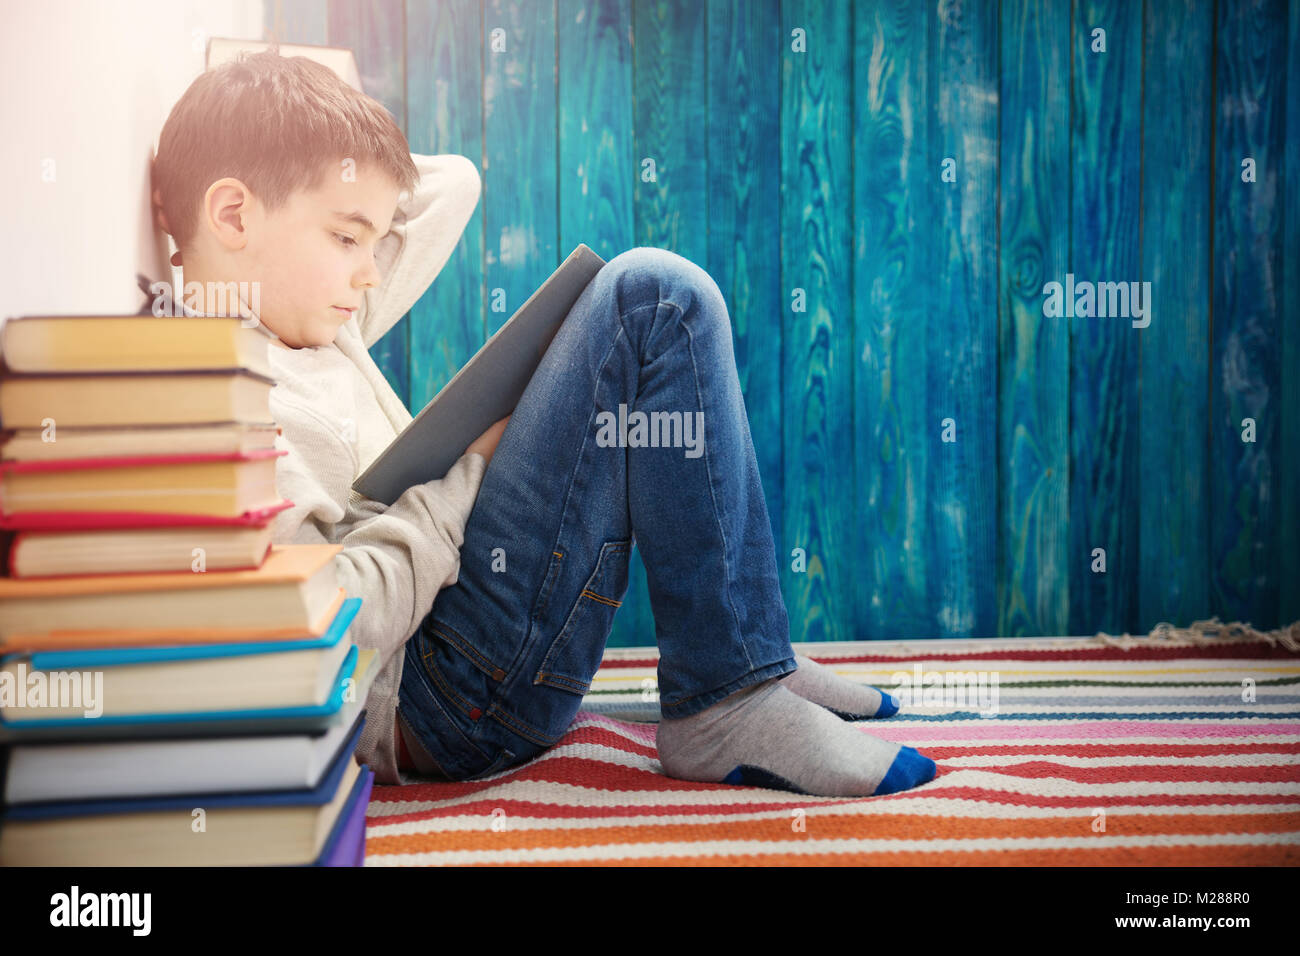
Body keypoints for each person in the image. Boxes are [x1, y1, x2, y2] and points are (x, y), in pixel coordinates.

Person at [148, 48, 936, 798]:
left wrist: (315, 140)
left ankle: (742, 657)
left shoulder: (310, 315)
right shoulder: (228, 392)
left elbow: (451, 184)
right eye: (349, 237)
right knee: (652, 299)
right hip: (431, 700)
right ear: (232, 214)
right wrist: (467, 479)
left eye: (372, 239)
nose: (369, 267)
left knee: (654, 298)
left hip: (461, 647)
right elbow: (333, 620)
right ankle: (726, 701)